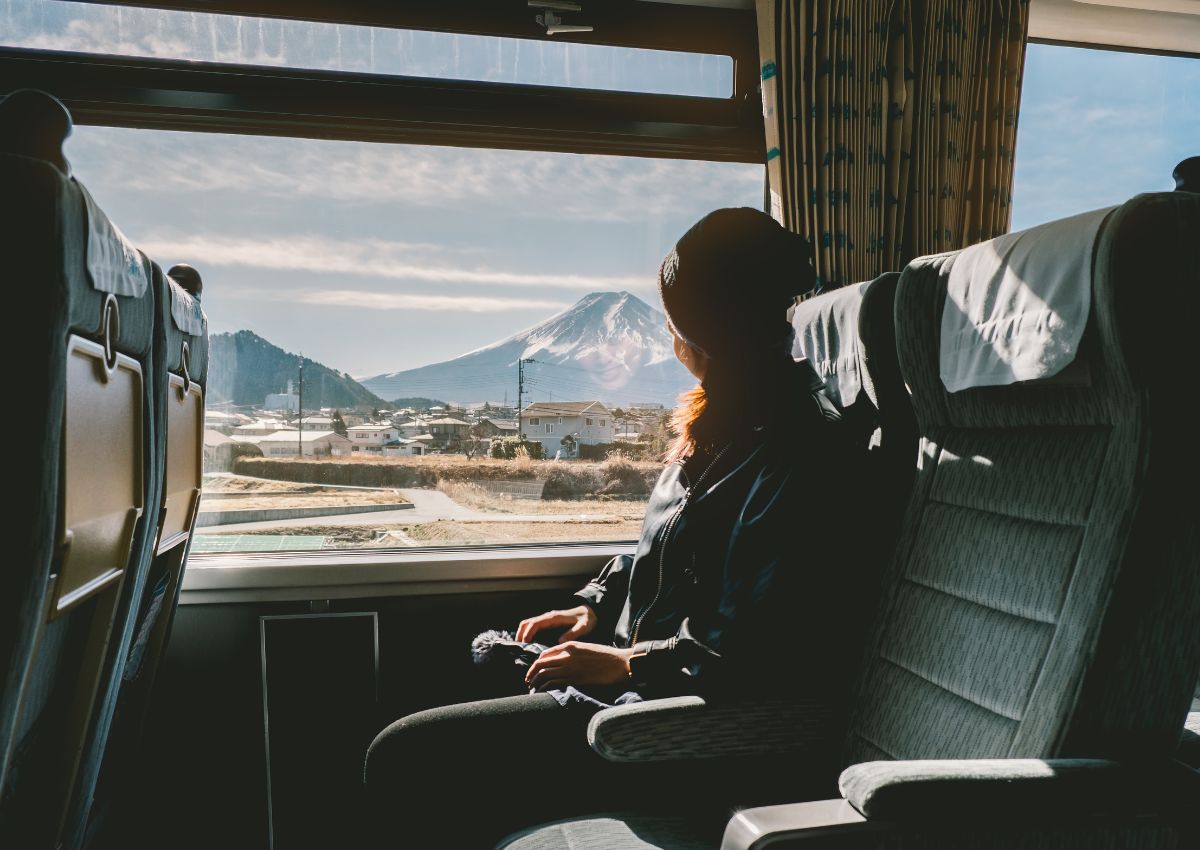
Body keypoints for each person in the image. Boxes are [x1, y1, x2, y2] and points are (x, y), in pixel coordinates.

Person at [364, 208, 867, 847]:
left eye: (674, 318)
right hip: (641, 683)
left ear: (701, 332)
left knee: (407, 756)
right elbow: (675, 552)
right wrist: (596, 605)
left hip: (675, 725)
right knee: (437, 683)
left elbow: (749, 643)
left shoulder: (799, 451)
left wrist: (624, 665)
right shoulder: (724, 428)